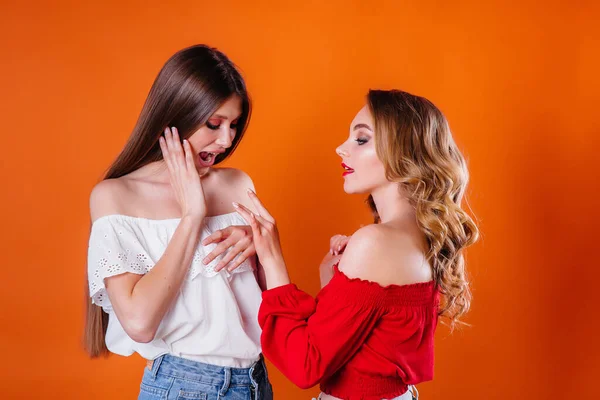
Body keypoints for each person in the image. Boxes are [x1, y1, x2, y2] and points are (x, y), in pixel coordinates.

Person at [232, 89, 478, 400]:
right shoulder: (420, 237)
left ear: (402, 152)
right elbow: (361, 349)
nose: (341, 149)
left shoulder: (375, 242)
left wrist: (271, 258)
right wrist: (333, 283)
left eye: (361, 140)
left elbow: (305, 364)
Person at [84, 44, 273, 400]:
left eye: (233, 125)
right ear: (176, 114)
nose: (226, 140)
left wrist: (262, 244)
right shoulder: (115, 196)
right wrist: (192, 215)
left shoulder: (237, 184)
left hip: (256, 381)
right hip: (186, 386)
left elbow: (270, 303)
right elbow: (140, 323)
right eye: (214, 124)